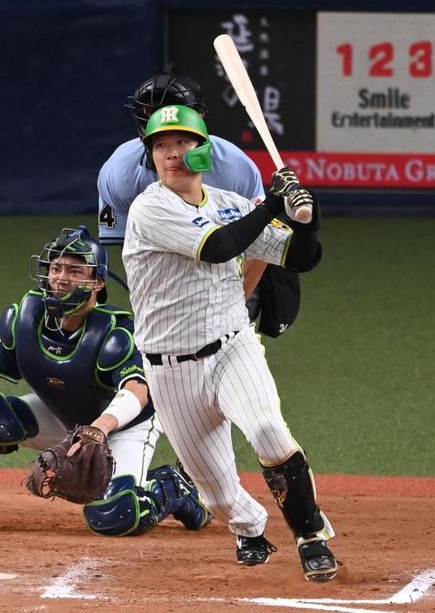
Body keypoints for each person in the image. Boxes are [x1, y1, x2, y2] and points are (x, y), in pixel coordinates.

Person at [122, 105, 339, 581]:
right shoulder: (150, 208)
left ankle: (310, 536)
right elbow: (219, 246)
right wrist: (271, 205)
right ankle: (250, 528)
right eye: (160, 145)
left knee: (267, 430)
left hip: (232, 346)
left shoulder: (230, 203)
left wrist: (307, 217)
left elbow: (302, 259)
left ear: (205, 151)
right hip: (170, 369)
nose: (171, 153)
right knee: (216, 495)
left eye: (182, 142)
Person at [0, 225, 210, 536]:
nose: (61, 277)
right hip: (65, 416)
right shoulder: (26, 317)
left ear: (97, 281)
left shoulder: (116, 333)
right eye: (56, 268)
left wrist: (99, 429)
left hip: (123, 425)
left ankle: (173, 486)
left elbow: (138, 391)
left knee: (117, 515)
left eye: (75, 271)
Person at [98, 67, 301, 335]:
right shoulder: (120, 173)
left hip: (233, 270)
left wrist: (233, 304)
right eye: (151, 114)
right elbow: (135, 253)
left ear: (200, 117)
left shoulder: (234, 167)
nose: (163, 120)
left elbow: (259, 246)